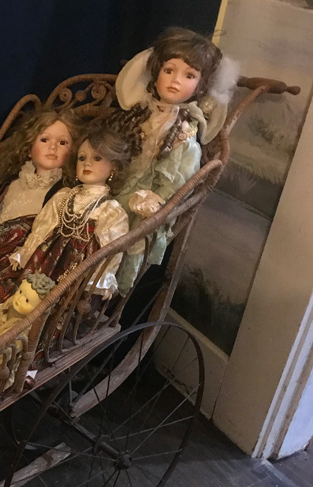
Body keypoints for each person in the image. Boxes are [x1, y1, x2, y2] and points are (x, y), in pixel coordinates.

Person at [107, 27, 236, 290]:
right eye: (169, 70)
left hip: (144, 206)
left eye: (189, 75)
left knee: (126, 239)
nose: (175, 81)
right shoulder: (141, 113)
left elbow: (175, 184)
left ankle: (105, 288)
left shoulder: (183, 134)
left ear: (201, 85)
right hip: (116, 187)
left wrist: (153, 204)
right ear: (156, 71)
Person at [0, 107, 81, 313]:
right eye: (44, 140)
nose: (53, 147)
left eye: (62, 143)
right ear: (29, 147)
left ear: (72, 152)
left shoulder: (63, 193)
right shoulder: (13, 182)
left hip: (17, 261)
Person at [0, 127, 131, 301]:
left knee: (59, 303)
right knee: (24, 293)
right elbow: (42, 229)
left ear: (113, 166)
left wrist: (103, 278)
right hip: (46, 260)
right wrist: (25, 253)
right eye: (82, 158)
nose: (87, 164)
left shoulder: (111, 211)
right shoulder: (63, 196)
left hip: (76, 272)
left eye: (97, 158)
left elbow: (111, 251)